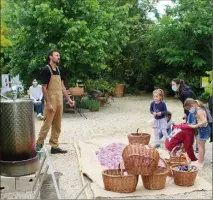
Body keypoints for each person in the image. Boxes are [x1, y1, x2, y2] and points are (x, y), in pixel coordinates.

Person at [36, 50, 75, 154]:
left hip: (59, 100)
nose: (59, 57)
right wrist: (48, 103)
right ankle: (38, 145)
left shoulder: (59, 69)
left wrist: (69, 99)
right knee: (47, 124)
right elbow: (44, 88)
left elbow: (62, 86)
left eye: (59, 55)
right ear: (50, 57)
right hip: (51, 100)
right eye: (56, 55)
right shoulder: (46, 70)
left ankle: (54, 146)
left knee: (57, 124)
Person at [184, 98, 211, 169]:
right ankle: (200, 160)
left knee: (200, 146)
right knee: (200, 145)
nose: (189, 111)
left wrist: (195, 126)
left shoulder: (199, 111)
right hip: (202, 129)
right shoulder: (197, 109)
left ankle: (201, 162)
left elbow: (204, 121)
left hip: (204, 130)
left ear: (192, 105)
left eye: (188, 109)